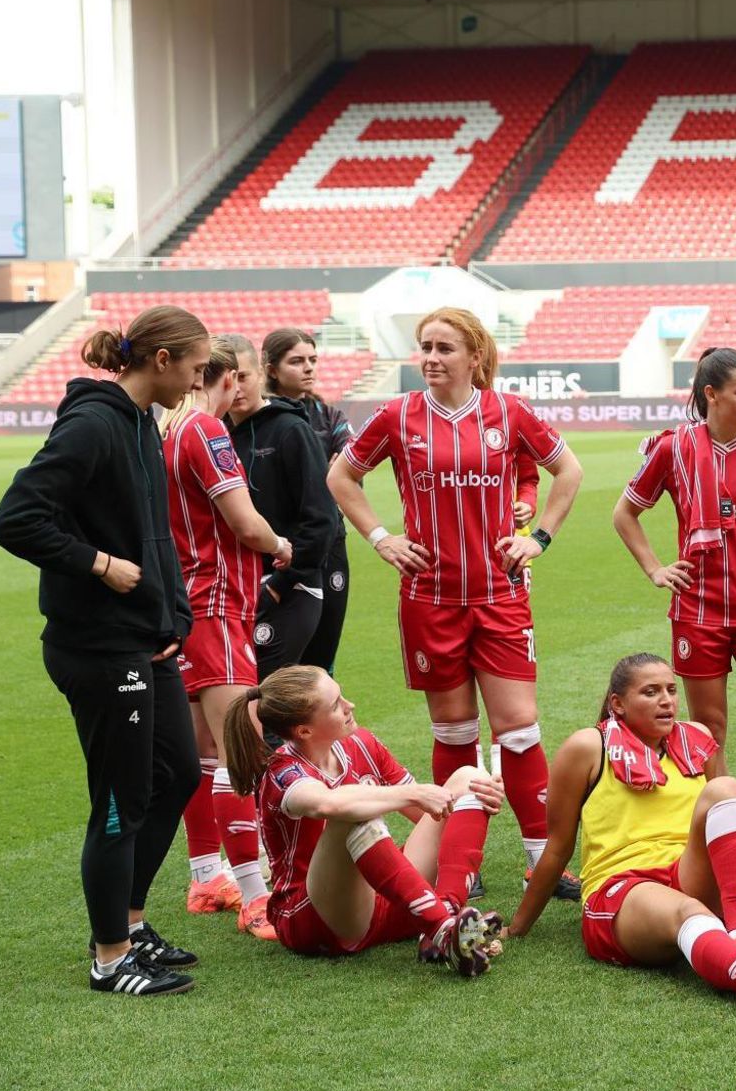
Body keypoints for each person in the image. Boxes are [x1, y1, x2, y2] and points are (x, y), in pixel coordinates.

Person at [327, 307, 586, 898]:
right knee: (453, 732)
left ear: (474, 355)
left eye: (445, 348)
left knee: (518, 729)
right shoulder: (397, 416)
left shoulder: (508, 412)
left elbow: (566, 471)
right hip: (431, 598)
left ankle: (541, 859)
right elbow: (341, 478)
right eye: (425, 347)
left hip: (500, 595)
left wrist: (537, 537)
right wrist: (382, 538)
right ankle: (457, 864)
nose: (432, 358)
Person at [0, 305, 209, 995]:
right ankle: (110, 957)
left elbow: (151, 530)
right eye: (197, 370)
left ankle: (131, 921)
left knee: (176, 776)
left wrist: (173, 615)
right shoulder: (91, 423)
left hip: (145, 641)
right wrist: (96, 564)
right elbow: (16, 518)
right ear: (163, 360)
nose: (200, 385)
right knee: (121, 801)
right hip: (96, 645)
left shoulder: (144, 422)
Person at [509, 653, 736, 1018]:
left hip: (686, 870)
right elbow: (558, 849)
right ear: (617, 703)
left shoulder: (697, 738)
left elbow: (724, 822)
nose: (666, 700)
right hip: (623, 888)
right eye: (650, 692)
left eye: (671, 690)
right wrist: (517, 928)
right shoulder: (589, 746)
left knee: (727, 788)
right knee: (687, 912)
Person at [221, 665, 507, 973]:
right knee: (353, 815)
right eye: (335, 705)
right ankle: (444, 929)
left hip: (386, 902)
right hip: (317, 919)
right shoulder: (283, 773)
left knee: (470, 778)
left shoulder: (362, 743)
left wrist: (470, 803)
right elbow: (329, 804)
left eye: (341, 694)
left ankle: (445, 921)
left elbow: (430, 812)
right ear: (304, 731)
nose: (349, 706)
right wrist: (411, 794)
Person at [616, 347, 736, 775]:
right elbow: (624, 514)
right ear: (713, 395)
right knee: (709, 729)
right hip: (699, 611)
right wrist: (655, 568)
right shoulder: (674, 448)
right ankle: (723, 827)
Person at [162, 334, 294, 942]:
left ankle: (205, 874)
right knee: (239, 747)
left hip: (179, 602)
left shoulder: (164, 430)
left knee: (201, 752)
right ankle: (254, 896)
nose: (245, 387)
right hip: (217, 602)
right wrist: (279, 545)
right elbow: (243, 521)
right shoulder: (207, 433)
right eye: (240, 375)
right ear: (227, 378)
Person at [229, 337, 340, 679]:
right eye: (224, 379)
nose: (234, 388)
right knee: (247, 696)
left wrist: (280, 582)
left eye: (243, 377)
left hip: (291, 584)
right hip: (238, 588)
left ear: (262, 373)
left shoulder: (290, 429)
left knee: (284, 693)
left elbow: (322, 519)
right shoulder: (216, 433)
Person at [263, 328, 355, 674]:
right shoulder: (259, 417)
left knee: (323, 650)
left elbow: (352, 462)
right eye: (297, 361)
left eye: (312, 360)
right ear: (271, 369)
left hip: (328, 541)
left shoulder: (327, 416)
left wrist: (341, 470)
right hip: (278, 541)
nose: (308, 368)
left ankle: (320, 719)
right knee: (279, 651)